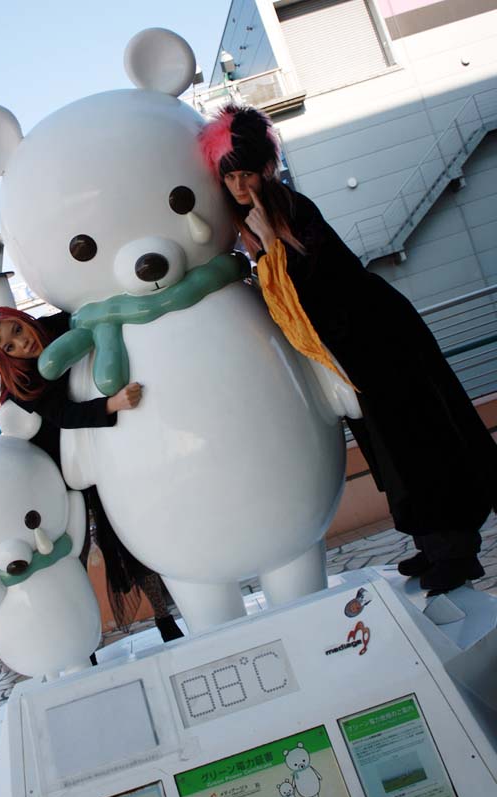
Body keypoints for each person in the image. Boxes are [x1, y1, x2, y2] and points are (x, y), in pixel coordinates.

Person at [198, 104, 497, 595]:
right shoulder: (249, 224)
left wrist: (274, 242)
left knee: (418, 438)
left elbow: (321, 282)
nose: (238, 186)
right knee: (387, 447)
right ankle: (432, 543)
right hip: (348, 350)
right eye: (229, 178)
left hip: (378, 336)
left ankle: (457, 552)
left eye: (245, 174)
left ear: (263, 169)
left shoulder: (290, 209)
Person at [0, 306, 183, 641]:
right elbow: (62, 413)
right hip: (59, 469)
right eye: (10, 348)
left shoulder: (58, 326)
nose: (21, 344)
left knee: (126, 535)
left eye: (17, 330)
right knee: (72, 552)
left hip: (101, 449)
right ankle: (78, 640)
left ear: (23, 319)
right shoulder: (21, 380)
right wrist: (112, 405)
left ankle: (165, 618)